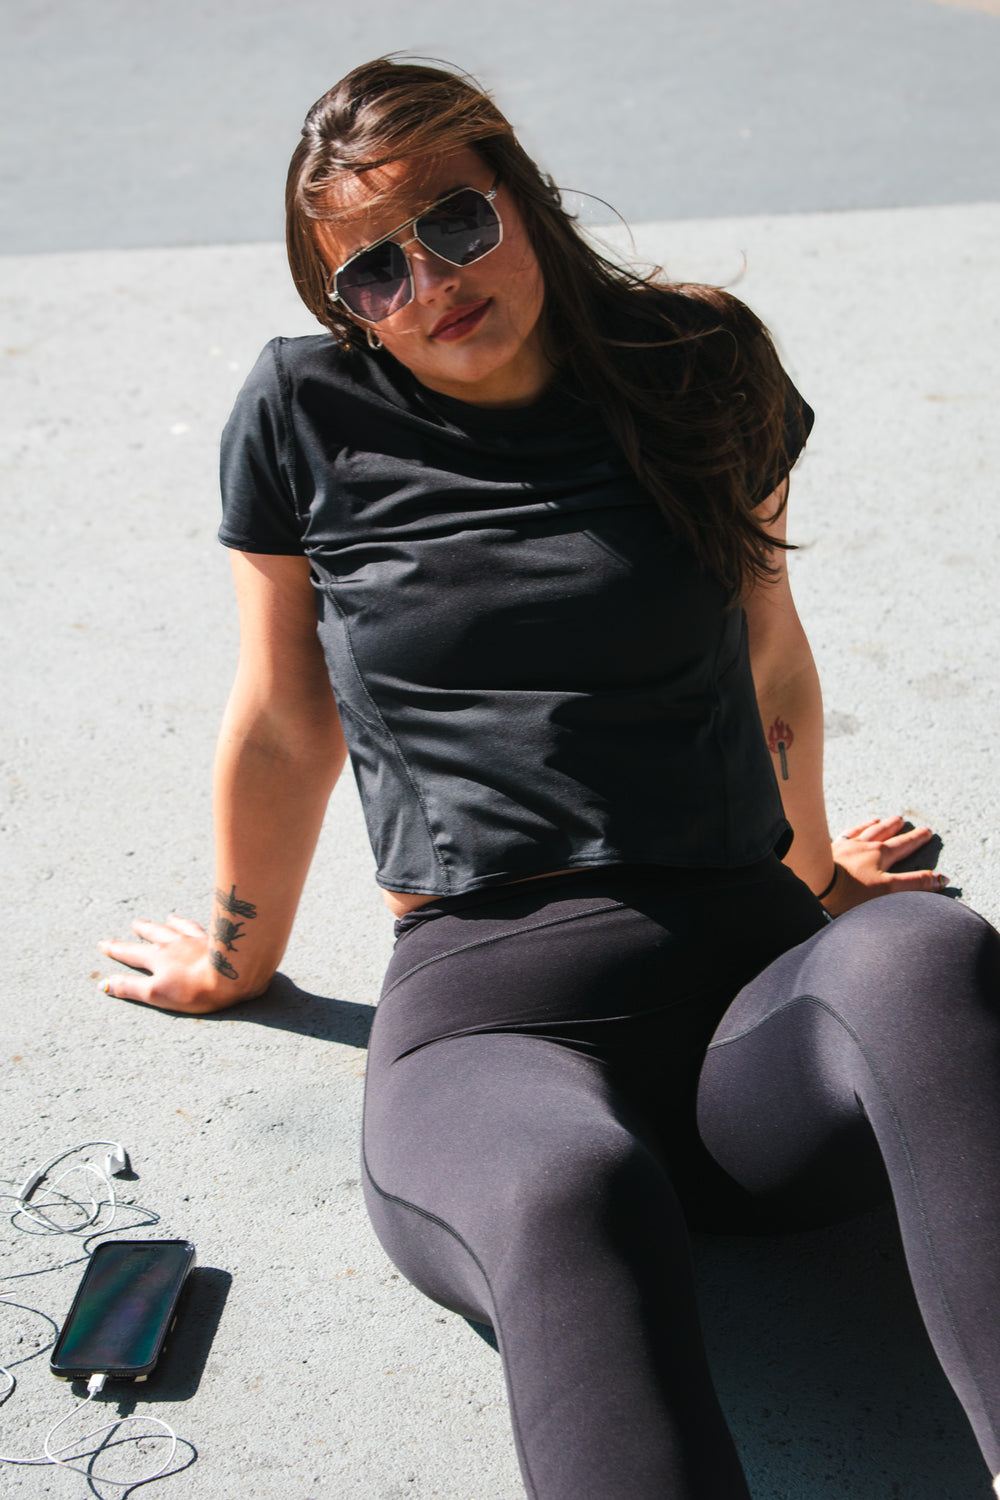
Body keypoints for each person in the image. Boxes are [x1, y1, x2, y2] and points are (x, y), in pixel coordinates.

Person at [99, 57, 1000, 1499]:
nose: (428, 285)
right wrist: (234, 953)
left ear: (515, 193)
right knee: (572, 1184)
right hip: (491, 1032)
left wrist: (820, 881)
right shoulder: (303, 410)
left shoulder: (697, 360)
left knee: (930, 958)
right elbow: (282, 715)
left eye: (453, 224)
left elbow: (768, 654)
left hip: (749, 1021)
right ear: (342, 304)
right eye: (373, 273)